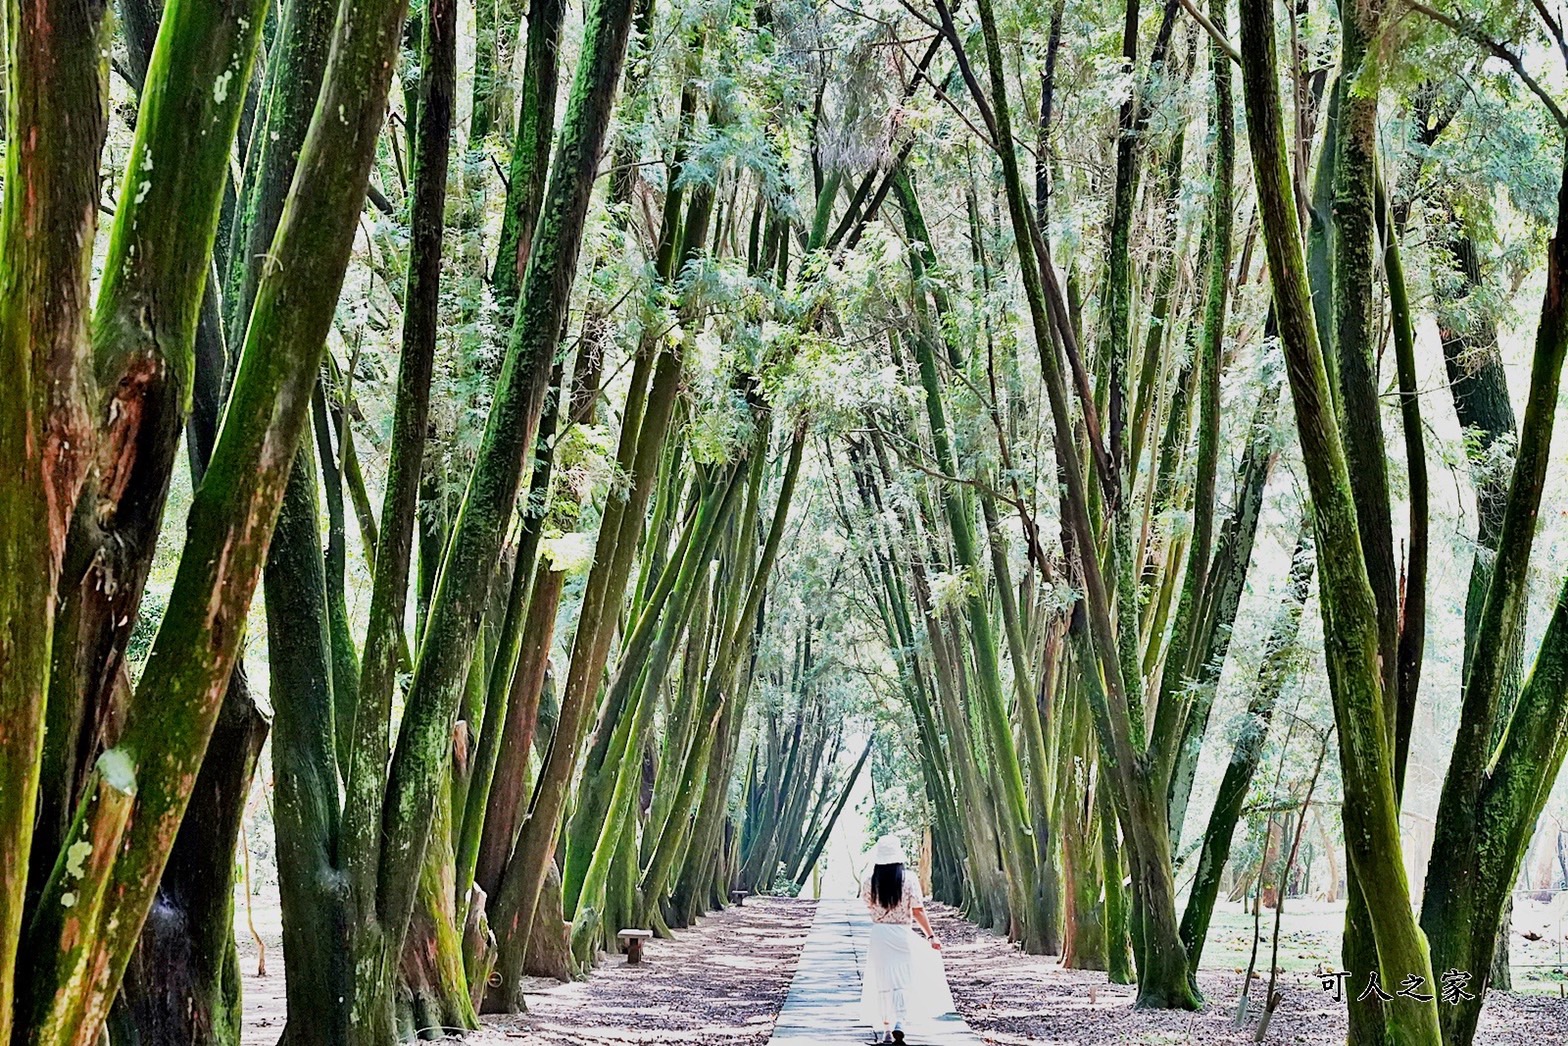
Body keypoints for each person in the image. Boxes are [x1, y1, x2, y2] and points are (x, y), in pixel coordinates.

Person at [860, 835, 940, 1044]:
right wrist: (930, 935)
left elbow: (868, 905)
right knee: (902, 979)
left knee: (882, 980)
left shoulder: (869, 880)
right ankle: (900, 1022)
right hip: (902, 934)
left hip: (879, 934)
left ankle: (886, 1029)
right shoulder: (909, 879)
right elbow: (918, 910)